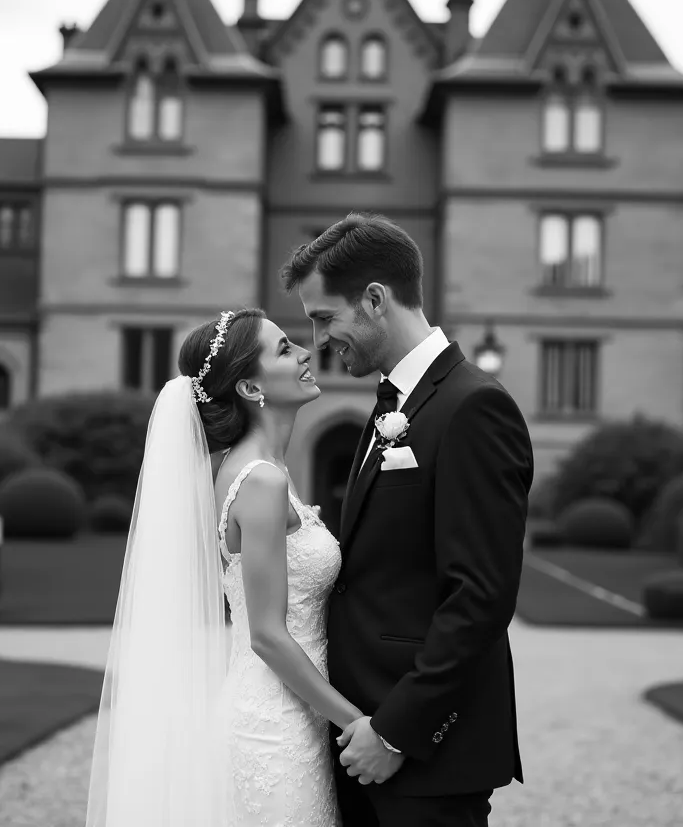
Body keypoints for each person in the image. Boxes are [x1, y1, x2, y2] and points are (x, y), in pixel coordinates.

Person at [281, 213, 533, 827]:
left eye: (323, 318)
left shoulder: (474, 407)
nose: (316, 342)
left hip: (425, 753)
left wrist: (396, 733)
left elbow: (480, 597)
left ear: (374, 299)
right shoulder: (392, 404)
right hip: (360, 734)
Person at [85, 307, 355, 827]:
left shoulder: (262, 472)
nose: (306, 352)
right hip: (276, 727)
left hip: (293, 713)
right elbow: (267, 636)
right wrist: (356, 722)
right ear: (252, 390)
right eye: (284, 349)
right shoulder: (262, 481)